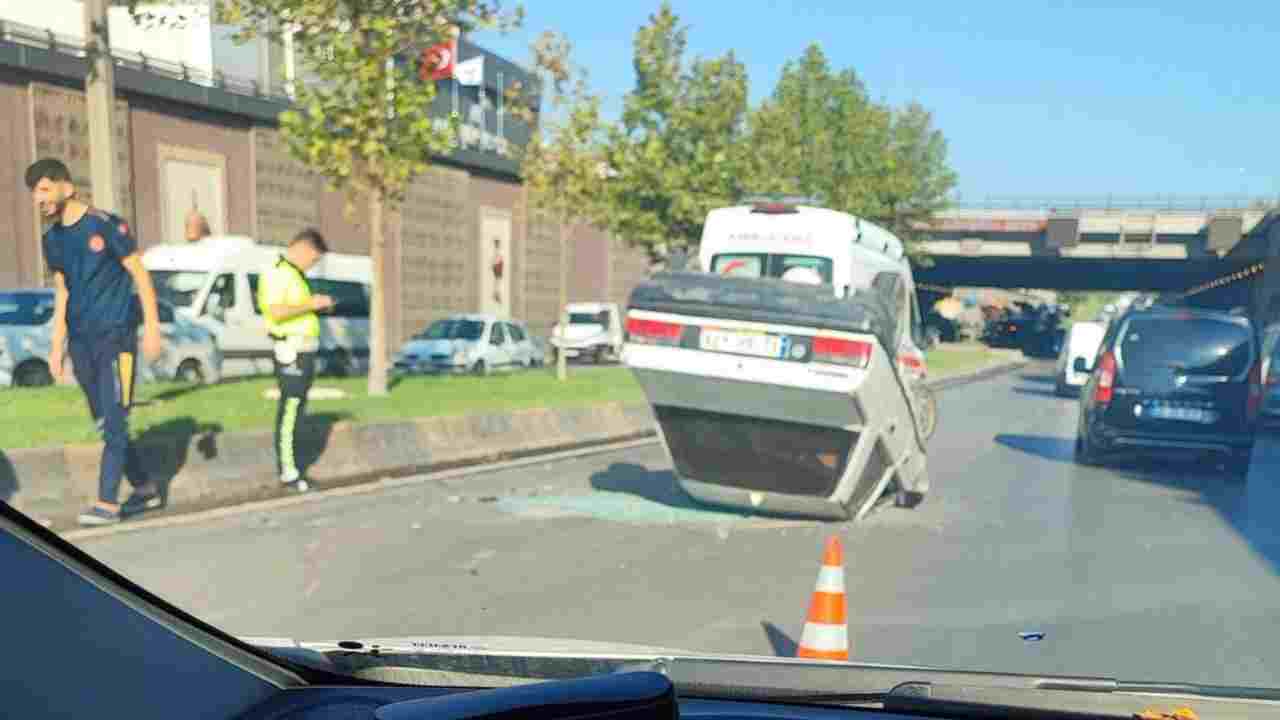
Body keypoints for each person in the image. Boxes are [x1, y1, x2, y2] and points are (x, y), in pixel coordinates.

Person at [25, 158, 164, 526]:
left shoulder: (105, 224)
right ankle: (146, 488)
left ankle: (107, 503)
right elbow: (62, 290)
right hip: (82, 343)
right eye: (33, 193)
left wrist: (151, 326)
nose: (37, 199)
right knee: (105, 422)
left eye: (43, 189)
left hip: (116, 337)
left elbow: (139, 272)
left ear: (65, 187)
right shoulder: (52, 239)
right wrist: (56, 345)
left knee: (116, 419)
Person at [257, 229, 334, 492]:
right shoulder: (278, 272)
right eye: (313, 260)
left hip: (302, 352)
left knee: (296, 410)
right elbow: (276, 311)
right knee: (290, 411)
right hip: (290, 352)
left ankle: (292, 468)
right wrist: (311, 304)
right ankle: (288, 473)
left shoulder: (293, 274)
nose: (312, 265)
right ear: (303, 249)